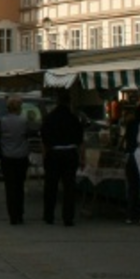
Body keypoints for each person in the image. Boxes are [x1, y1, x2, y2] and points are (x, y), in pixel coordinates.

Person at [41, 89, 85, 227]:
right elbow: (80, 140)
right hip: (70, 153)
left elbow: (44, 139)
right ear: (69, 102)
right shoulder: (73, 119)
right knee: (69, 186)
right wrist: (82, 157)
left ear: (57, 102)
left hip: (53, 153)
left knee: (51, 186)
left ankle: (49, 215)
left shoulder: (49, 118)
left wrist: (44, 156)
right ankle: (68, 217)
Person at [0, 95, 31, 225]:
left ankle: (12, 214)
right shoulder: (24, 121)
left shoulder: (1, 121)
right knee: (19, 186)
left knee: (9, 187)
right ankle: (20, 213)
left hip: (7, 156)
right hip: (21, 156)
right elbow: (27, 135)